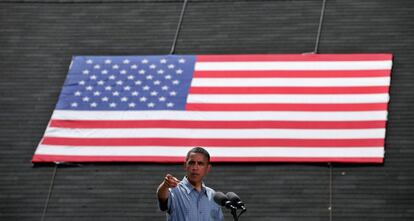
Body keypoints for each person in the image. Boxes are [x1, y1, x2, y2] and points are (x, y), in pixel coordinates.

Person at [156, 147, 224, 221]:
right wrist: (165, 185)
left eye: (200, 163)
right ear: (185, 165)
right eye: (191, 163)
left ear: (208, 168)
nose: (195, 167)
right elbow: (162, 196)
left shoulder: (213, 195)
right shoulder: (175, 190)